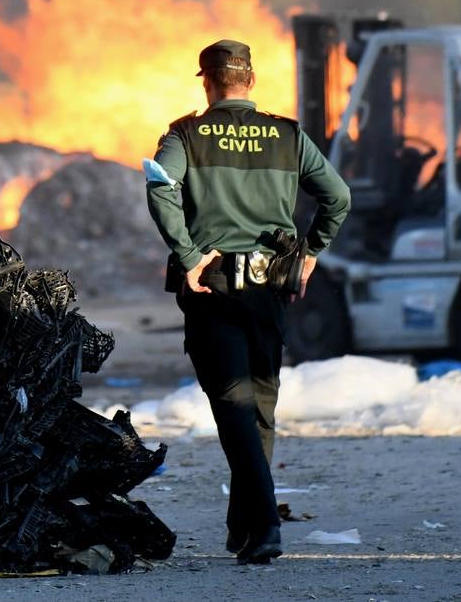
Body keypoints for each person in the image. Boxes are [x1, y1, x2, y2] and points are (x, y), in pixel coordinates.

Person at [145, 39, 351, 565]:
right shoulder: (287, 136)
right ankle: (245, 528)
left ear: (208, 82)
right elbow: (338, 197)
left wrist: (189, 254)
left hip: (213, 287)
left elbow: (159, 186)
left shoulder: (187, 135)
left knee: (234, 405)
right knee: (258, 407)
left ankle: (263, 527)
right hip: (270, 289)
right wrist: (312, 254)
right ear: (251, 81)